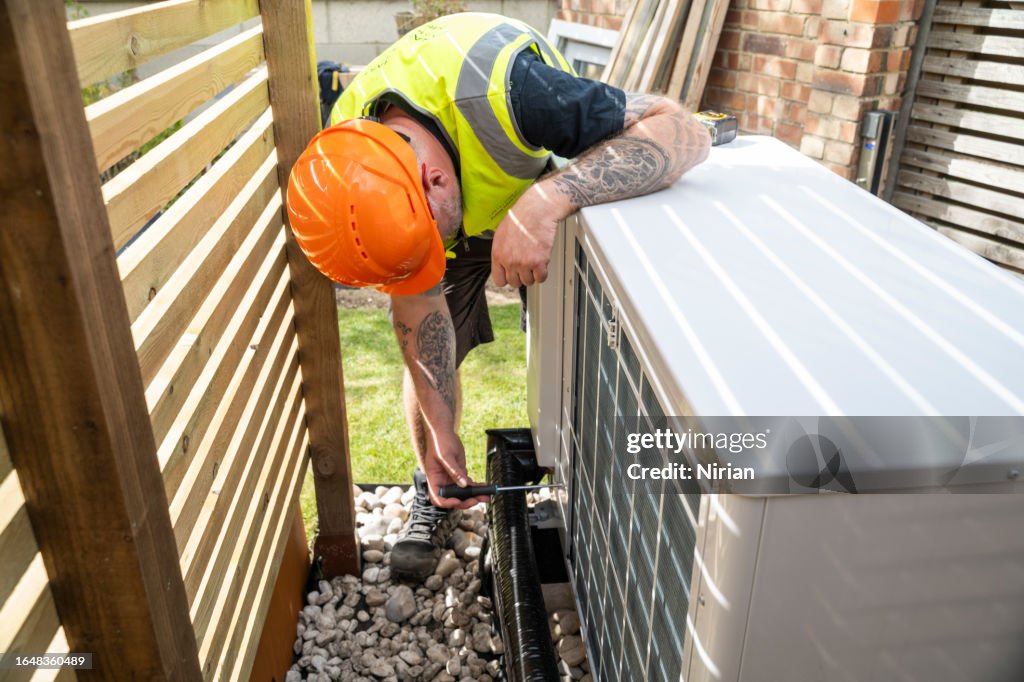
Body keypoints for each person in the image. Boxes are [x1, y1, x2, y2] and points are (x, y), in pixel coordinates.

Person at [288, 12, 710, 580]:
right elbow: (418, 314)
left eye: (428, 249)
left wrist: (544, 201)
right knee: (434, 352)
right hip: (456, 192)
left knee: (575, 346)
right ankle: (431, 486)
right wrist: (440, 435)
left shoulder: (514, 94)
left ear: (434, 182)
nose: (427, 269)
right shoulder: (355, 168)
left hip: (537, 175)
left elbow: (682, 132)